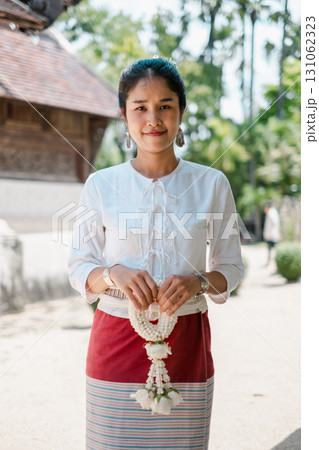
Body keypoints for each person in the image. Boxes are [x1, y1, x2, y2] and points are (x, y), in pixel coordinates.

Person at [68, 57, 245, 450]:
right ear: (124, 116)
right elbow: (79, 266)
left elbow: (230, 267)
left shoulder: (211, 183)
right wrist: (114, 273)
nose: (154, 118)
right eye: (141, 107)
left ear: (181, 112)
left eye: (165, 105)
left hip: (187, 341)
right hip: (115, 340)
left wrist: (198, 280)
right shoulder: (101, 185)